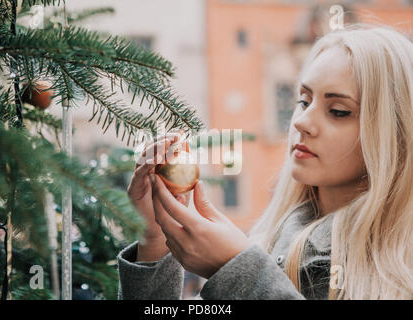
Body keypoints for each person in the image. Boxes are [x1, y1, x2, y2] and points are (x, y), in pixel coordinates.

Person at [118, 24, 413, 300]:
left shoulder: (399, 271)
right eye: (304, 101)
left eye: (337, 111)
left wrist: (237, 270)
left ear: (394, 136)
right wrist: (154, 242)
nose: (302, 122)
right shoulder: (267, 241)